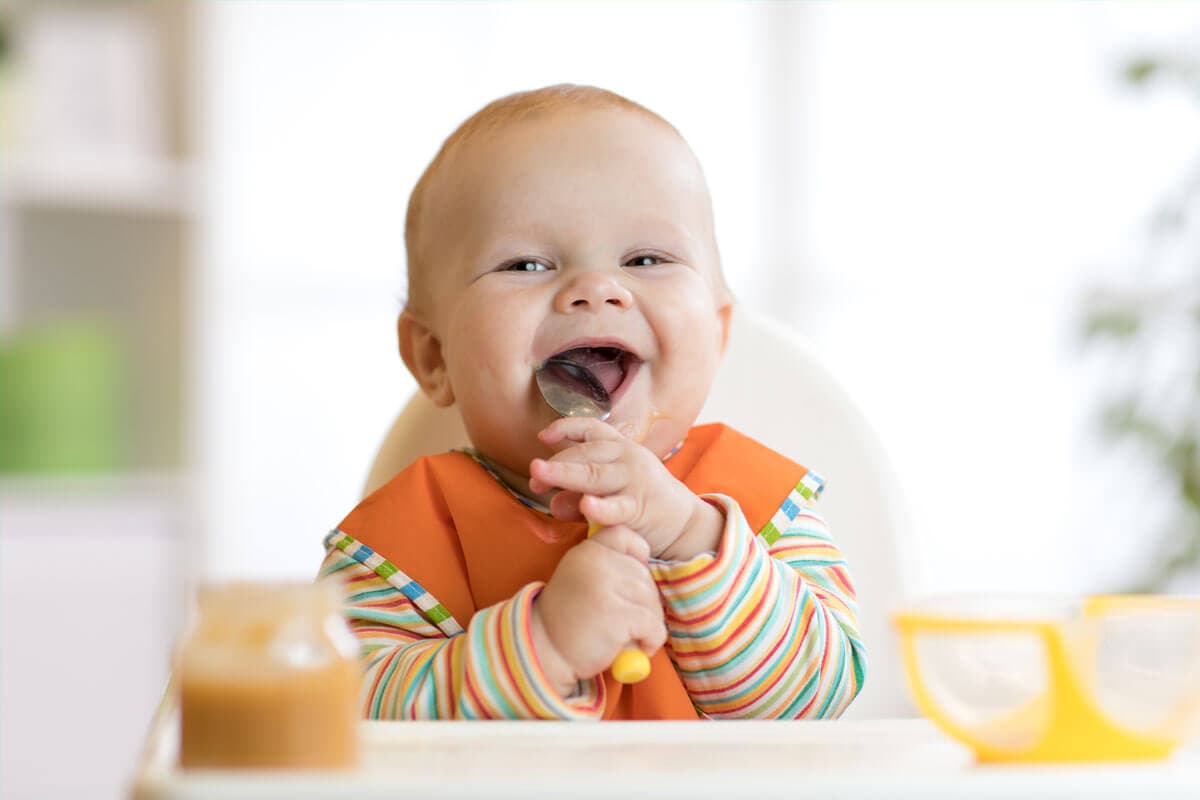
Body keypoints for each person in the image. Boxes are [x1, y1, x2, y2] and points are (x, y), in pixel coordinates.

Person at [318, 84, 865, 720]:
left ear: (716, 336)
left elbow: (816, 698)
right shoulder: (402, 546)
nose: (595, 289)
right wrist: (542, 647)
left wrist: (689, 537)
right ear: (434, 357)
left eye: (645, 258)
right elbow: (345, 716)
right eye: (525, 265)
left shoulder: (764, 509)